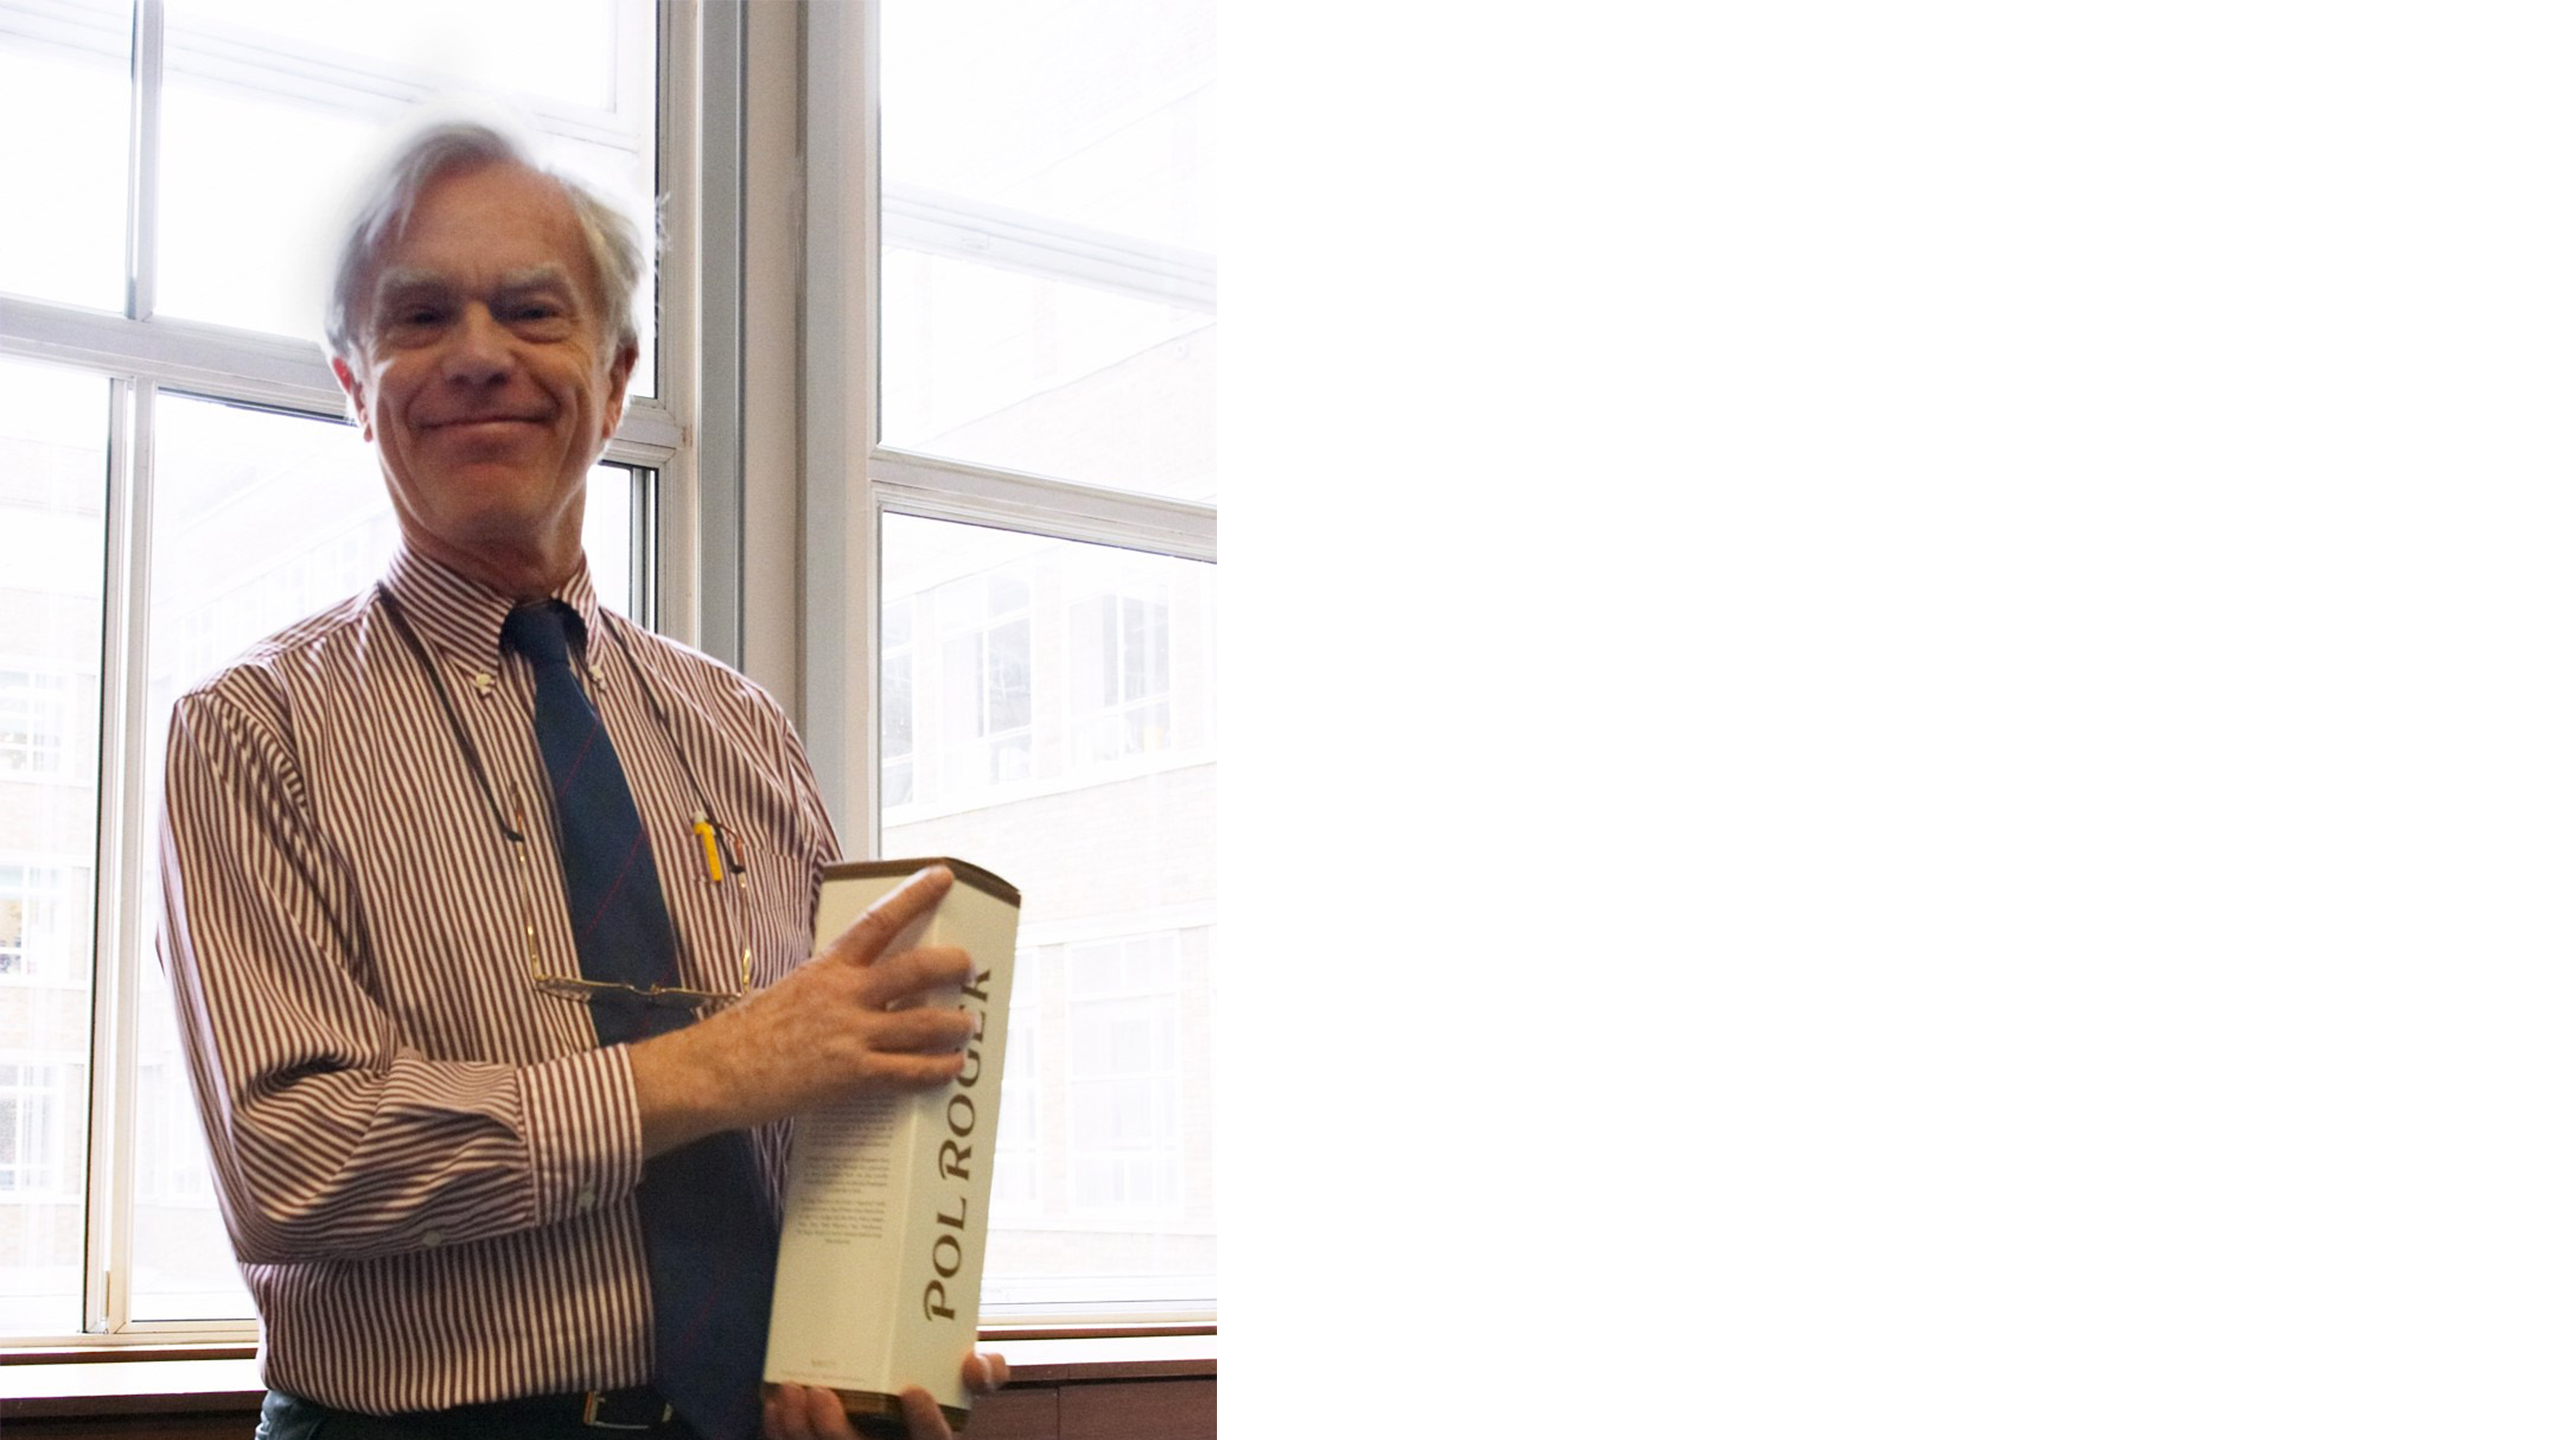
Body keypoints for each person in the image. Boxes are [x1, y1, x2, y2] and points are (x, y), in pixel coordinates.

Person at [157, 118, 1005, 1440]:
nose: (480, 354)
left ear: (613, 384)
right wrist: (718, 1068)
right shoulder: (248, 730)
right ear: (352, 381)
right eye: (421, 314)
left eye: (532, 310)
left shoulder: (741, 728)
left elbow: (816, 1102)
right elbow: (296, 1158)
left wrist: (857, 1335)